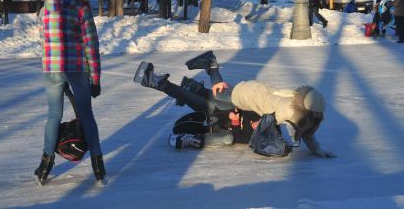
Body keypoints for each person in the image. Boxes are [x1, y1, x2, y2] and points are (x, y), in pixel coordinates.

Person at [135, 51, 336, 158]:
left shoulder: (301, 115)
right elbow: (269, 124)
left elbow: (307, 132)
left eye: (318, 116)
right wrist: (259, 125)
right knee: (215, 100)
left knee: (214, 99)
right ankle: (159, 81)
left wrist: (316, 150)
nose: (316, 118)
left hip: (248, 99)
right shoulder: (286, 110)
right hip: (245, 95)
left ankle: (197, 80)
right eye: (315, 115)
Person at [35, 0, 106, 184]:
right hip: (76, 68)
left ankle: (46, 165)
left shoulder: (44, 9)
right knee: (86, 115)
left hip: (52, 69)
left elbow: (44, 41)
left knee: (53, 116)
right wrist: (95, 79)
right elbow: (91, 47)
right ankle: (98, 166)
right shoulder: (81, 8)